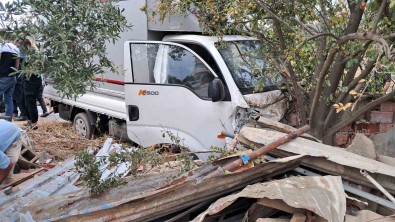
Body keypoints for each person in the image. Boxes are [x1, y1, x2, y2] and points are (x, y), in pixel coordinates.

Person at [21, 38, 41, 130]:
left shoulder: (32, 54)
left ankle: (34, 123)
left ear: (26, 45)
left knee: (31, 103)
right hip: (29, 81)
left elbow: (31, 69)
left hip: (31, 82)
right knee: (26, 102)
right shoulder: (31, 53)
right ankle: (30, 120)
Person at [0, 40, 20, 117]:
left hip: (3, 76)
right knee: (9, 98)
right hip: (12, 77)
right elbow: (17, 65)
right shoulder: (15, 48)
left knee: (8, 98)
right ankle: (8, 119)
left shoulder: (1, 46)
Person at [0, 119, 22, 186]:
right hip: (4, 129)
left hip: (13, 135)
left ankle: (8, 188)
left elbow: (9, 164)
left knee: (7, 178)